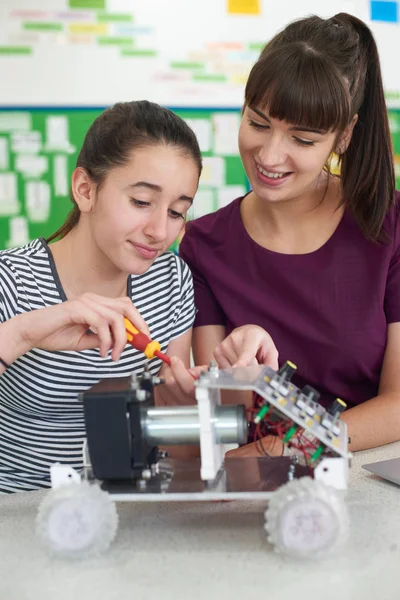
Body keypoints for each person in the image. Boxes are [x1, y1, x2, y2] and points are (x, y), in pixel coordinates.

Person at [179, 13, 400, 456]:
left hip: (366, 477)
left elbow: (397, 404)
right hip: (257, 492)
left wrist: (292, 446)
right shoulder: (204, 245)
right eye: (258, 123)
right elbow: (222, 413)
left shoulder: (388, 226)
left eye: (301, 139)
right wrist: (240, 370)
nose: (270, 154)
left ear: (344, 136)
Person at [0, 100, 203, 493]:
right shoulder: (11, 280)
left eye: (178, 211)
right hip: (21, 517)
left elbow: (183, 460)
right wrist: (22, 334)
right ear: (85, 190)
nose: (159, 231)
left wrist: (182, 406)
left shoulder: (171, 281)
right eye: (142, 202)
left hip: (131, 514)